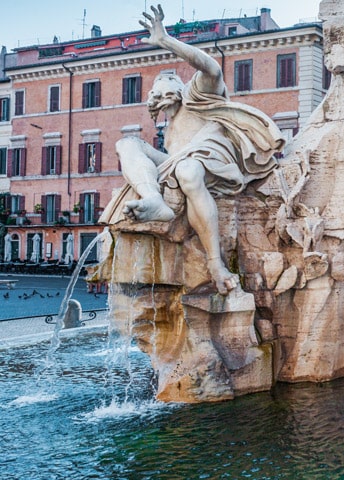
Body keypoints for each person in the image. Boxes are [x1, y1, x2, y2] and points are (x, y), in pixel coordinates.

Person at [105, 5, 284, 294]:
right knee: (127, 143)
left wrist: (166, 41)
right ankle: (154, 199)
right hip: (179, 162)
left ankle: (216, 264)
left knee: (187, 169)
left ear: (179, 88)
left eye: (166, 85)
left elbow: (212, 68)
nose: (159, 90)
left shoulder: (197, 96)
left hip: (213, 160)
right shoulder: (169, 131)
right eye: (155, 90)